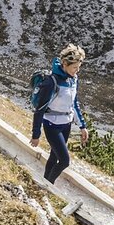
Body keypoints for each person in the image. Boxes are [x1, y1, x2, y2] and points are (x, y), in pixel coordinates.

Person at [30, 43, 89, 184]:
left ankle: (45, 182)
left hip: (66, 124)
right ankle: (48, 186)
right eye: (74, 67)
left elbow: (74, 103)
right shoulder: (51, 82)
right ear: (64, 63)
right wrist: (36, 135)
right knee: (64, 161)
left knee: (54, 156)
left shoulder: (73, 80)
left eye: (79, 67)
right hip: (52, 125)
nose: (77, 71)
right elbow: (40, 110)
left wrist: (82, 126)